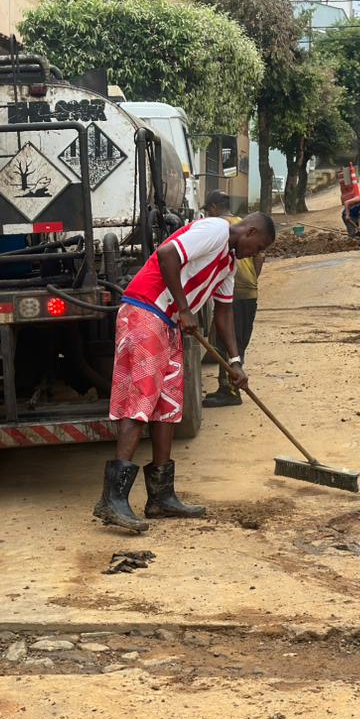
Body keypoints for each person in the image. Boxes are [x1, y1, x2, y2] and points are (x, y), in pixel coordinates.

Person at [93, 212, 277, 532]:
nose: (254, 254)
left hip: (168, 323)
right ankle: (112, 499)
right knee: (141, 403)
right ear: (250, 231)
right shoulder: (216, 230)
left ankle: (161, 497)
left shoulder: (229, 265)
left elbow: (224, 313)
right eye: (258, 246)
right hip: (146, 310)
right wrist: (184, 307)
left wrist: (235, 362)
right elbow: (167, 254)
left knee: (168, 408)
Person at [203, 197, 264, 409]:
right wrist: (252, 279)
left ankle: (229, 390)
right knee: (238, 341)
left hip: (233, 292)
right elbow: (260, 257)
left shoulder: (222, 227)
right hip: (249, 291)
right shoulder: (243, 223)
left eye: (208, 210)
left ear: (214, 207)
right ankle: (230, 386)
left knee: (227, 340)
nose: (208, 214)